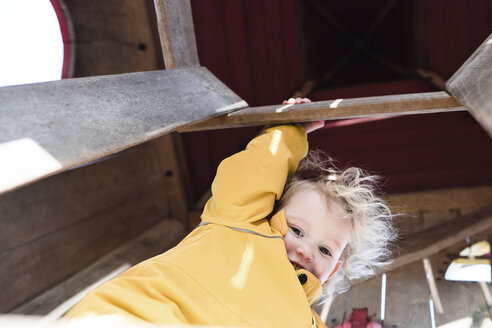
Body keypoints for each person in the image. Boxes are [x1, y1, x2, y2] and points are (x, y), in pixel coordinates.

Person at [64, 118, 396, 327]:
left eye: (325, 249)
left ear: (335, 269)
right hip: (144, 317)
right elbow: (254, 172)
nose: (307, 250)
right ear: (267, 213)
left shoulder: (308, 323)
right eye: (296, 230)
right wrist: (288, 130)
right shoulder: (239, 224)